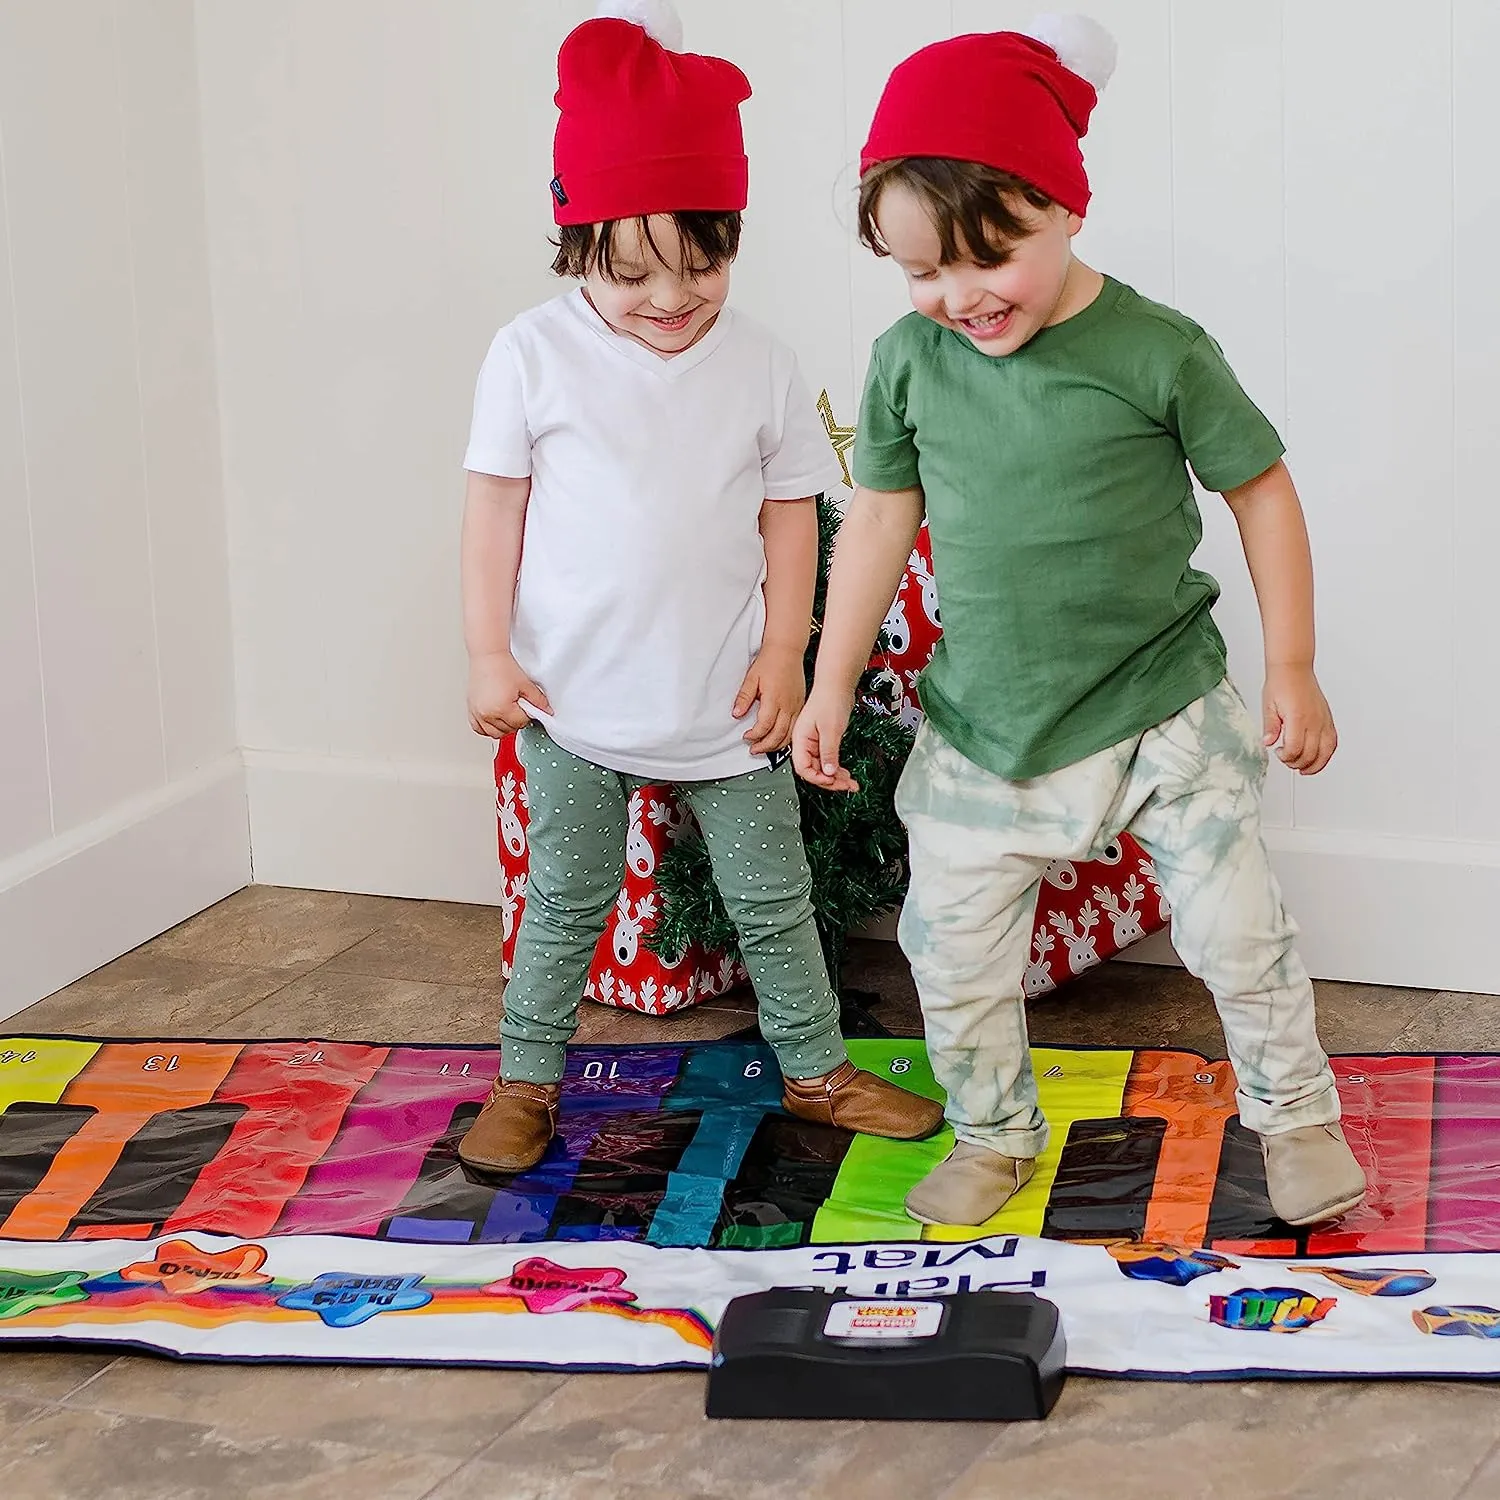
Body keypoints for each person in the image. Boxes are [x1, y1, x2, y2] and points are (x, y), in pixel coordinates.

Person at [793, 16, 1366, 1228]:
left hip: (1160, 698)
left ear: (1063, 208)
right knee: (946, 947)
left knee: (1237, 927)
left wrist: (1297, 665)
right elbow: (883, 518)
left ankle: (1297, 1114)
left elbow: (1261, 490)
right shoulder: (910, 360)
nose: (955, 298)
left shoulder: (1155, 350)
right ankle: (995, 1131)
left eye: (984, 261)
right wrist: (833, 678)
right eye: (918, 272)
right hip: (986, 718)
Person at [457, 1, 944, 1174]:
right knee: (563, 903)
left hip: (727, 703)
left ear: (733, 237)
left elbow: (790, 520)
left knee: (773, 904)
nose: (672, 299)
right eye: (633, 275)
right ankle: (528, 1081)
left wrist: (785, 655)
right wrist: (487, 652)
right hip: (574, 702)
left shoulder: (761, 363)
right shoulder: (531, 354)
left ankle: (820, 1073)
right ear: (576, 247)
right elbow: (493, 511)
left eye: (702, 264)